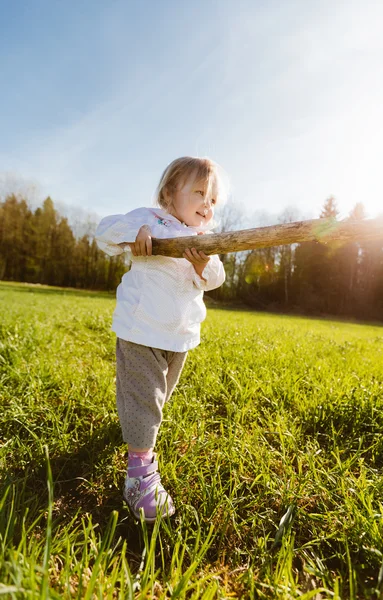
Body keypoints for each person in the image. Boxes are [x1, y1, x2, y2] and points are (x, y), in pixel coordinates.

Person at [95, 156, 227, 523]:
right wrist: (133, 236)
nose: (207, 203)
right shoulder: (149, 220)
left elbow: (216, 277)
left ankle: (133, 421)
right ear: (170, 193)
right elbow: (104, 233)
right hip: (142, 330)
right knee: (147, 399)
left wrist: (203, 265)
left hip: (179, 337)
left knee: (157, 397)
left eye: (213, 199)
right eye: (199, 192)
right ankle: (139, 475)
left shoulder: (205, 241)